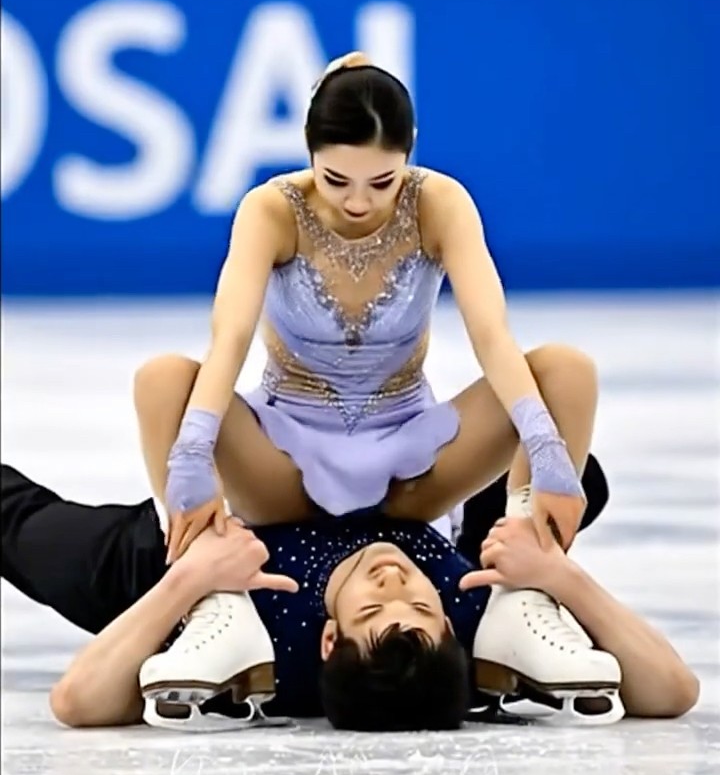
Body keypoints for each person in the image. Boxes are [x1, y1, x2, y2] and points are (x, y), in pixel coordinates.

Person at [131, 52, 607, 706]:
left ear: (409, 155)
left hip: (412, 462)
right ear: (309, 155)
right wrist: (191, 451)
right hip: (285, 465)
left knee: (565, 373)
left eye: (382, 182)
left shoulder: (439, 203)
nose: (359, 202)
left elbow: (492, 334)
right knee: (162, 379)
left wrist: (546, 451)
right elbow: (229, 338)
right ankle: (216, 600)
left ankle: (523, 602)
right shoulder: (272, 209)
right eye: (336, 180)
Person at [1, 463, 698, 733]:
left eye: (372, 610)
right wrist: (557, 576)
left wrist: (189, 577)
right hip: (398, 502)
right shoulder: (469, 627)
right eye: (423, 606)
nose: (395, 581)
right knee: (579, 478)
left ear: (329, 639)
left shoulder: (259, 651)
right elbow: (673, 690)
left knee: (18, 527)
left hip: (198, 554)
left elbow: (77, 703)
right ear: (451, 630)